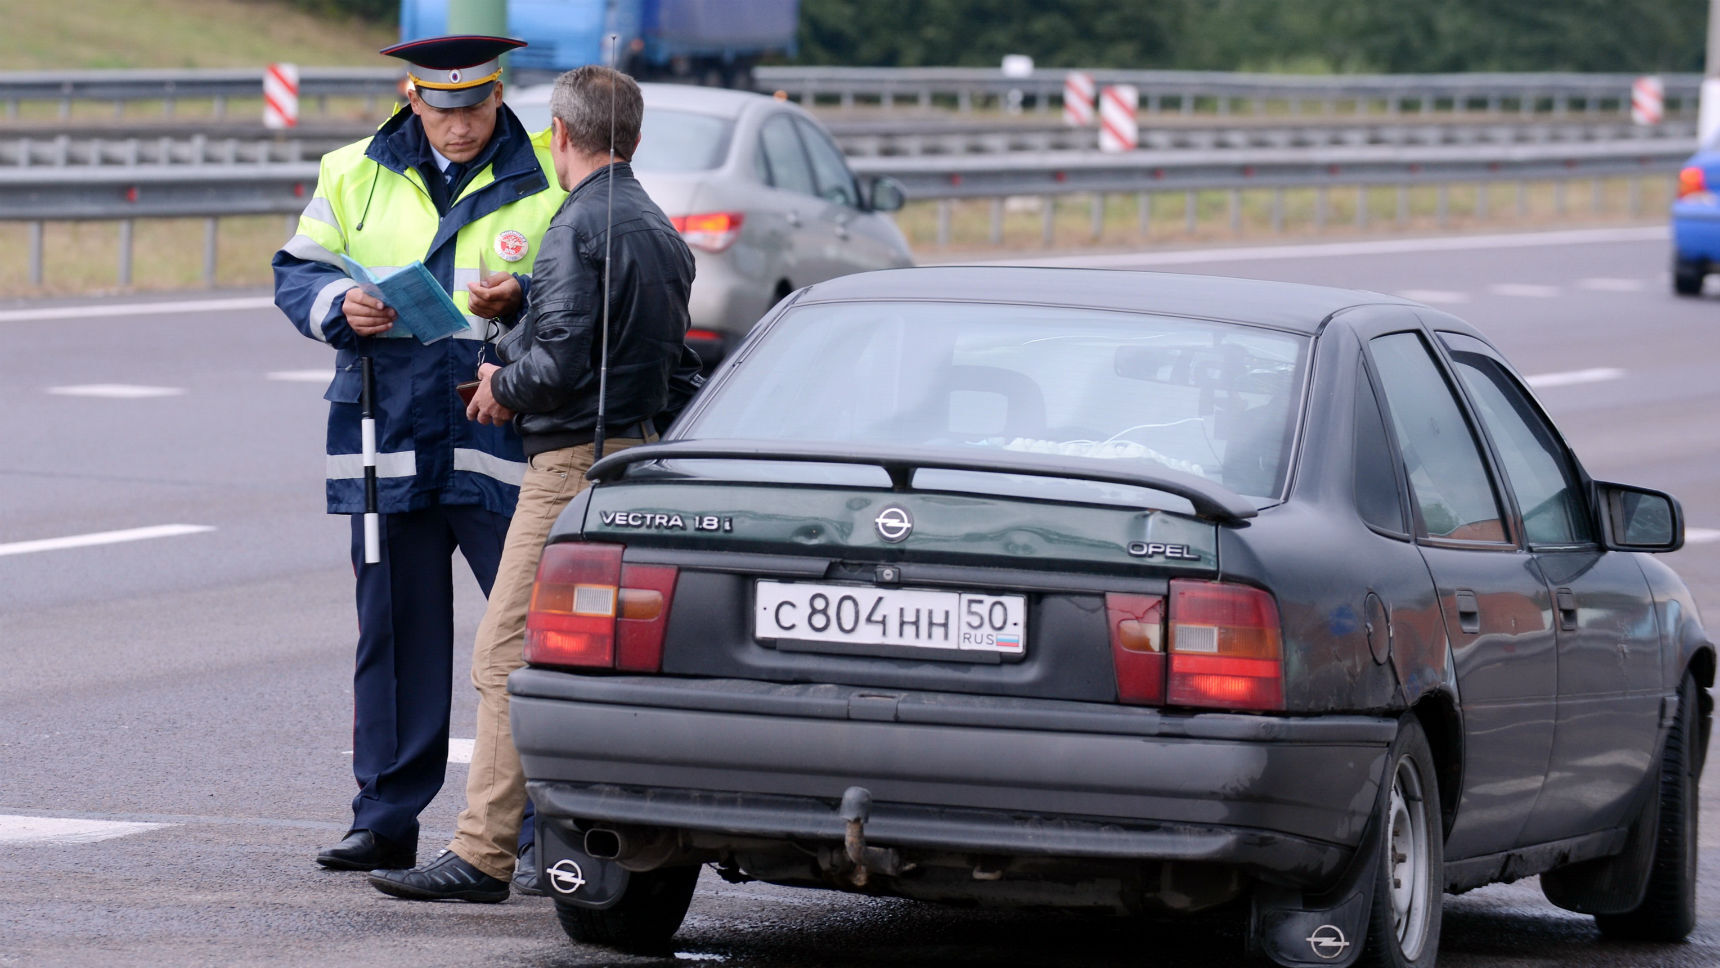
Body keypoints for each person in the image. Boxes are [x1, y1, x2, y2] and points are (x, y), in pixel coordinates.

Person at [368, 64, 701, 903]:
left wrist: (497, 384)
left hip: (565, 467)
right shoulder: (654, 227)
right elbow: (633, 352)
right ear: (634, 136)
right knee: (585, 662)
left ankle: (483, 853)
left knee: (505, 655)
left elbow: (562, 361)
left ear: (559, 133)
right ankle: (565, 838)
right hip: (634, 456)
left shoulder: (577, 224)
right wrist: (521, 303)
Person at [271, 35, 565, 878]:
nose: (461, 127)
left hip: (498, 432)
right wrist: (339, 304)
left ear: (498, 96)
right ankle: (385, 817)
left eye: (475, 109)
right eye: (443, 111)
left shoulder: (546, 171)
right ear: (411, 98)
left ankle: (545, 825)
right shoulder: (352, 169)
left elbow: (584, 284)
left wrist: (525, 296)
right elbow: (299, 269)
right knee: (394, 633)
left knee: (529, 640)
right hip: (385, 429)